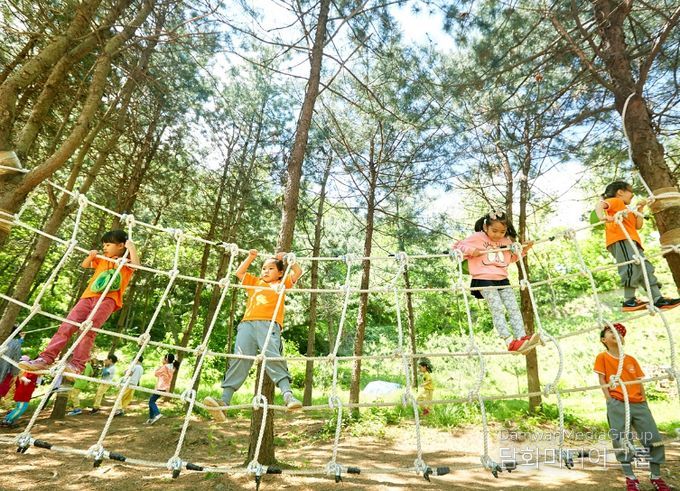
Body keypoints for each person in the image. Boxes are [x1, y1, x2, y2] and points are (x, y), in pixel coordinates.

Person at [19, 230, 139, 376]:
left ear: (120, 246)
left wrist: (131, 248)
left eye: (108, 245)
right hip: (88, 296)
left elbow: (136, 266)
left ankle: (77, 365)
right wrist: (91, 256)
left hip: (108, 300)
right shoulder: (103, 259)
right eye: (103, 245)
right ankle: (46, 358)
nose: (104, 247)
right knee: (67, 325)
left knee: (88, 330)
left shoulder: (125, 263)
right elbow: (85, 265)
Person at [203, 250, 303, 422]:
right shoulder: (254, 282)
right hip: (247, 325)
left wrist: (287, 258)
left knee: (273, 357)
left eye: (271, 268)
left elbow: (298, 272)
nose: (266, 271)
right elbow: (239, 272)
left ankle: (288, 396)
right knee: (240, 358)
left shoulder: (282, 283)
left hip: (269, 324)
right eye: (263, 268)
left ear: (280, 273)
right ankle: (224, 402)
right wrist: (251, 257)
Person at [593, 323, 669, 491]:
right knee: (621, 440)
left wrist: (644, 401)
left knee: (654, 439)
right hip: (617, 403)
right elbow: (602, 380)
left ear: (623, 340)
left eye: (620, 333)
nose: (617, 334)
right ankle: (631, 477)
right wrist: (609, 400)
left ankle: (656, 476)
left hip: (639, 404)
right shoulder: (602, 357)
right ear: (603, 339)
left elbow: (639, 382)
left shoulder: (631, 359)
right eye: (611, 331)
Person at [453, 211, 539, 353]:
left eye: (502, 231)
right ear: (485, 227)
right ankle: (509, 341)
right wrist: (471, 250)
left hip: (502, 279)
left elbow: (510, 258)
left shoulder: (506, 241)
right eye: (494, 231)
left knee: (513, 307)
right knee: (497, 308)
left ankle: (521, 338)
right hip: (483, 279)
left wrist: (524, 250)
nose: (498, 235)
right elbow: (456, 247)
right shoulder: (477, 237)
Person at [595, 181, 680, 312]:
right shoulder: (616, 202)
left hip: (632, 242)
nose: (633, 194)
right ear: (620, 192)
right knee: (631, 267)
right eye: (630, 191)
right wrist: (602, 217)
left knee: (645, 268)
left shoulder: (626, 210)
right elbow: (600, 204)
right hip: (621, 240)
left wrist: (640, 209)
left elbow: (638, 226)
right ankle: (629, 300)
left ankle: (658, 298)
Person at [147, 353, 178, 425]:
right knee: (152, 400)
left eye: (163, 358)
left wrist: (159, 367)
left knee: (151, 401)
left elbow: (156, 374)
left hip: (161, 387)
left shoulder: (164, 367)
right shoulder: (172, 367)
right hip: (165, 387)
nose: (162, 359)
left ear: (166, 359)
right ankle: (151, 418)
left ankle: (157, 414)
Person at [0, 329, 25, 404]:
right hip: (4, 372)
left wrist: (21, 338)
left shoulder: (15, 343)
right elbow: (16, 358)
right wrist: (15, 374)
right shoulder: (15, 343)